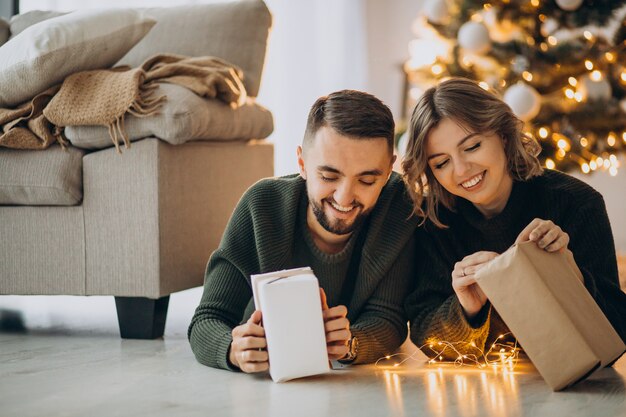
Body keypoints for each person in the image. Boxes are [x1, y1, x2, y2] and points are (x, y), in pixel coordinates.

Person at [189, 90, 418, 372]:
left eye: (367, 180)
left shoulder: (399, 206)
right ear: (301, 163)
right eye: (329, 176)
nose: (344, 198)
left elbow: (388, 317)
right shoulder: (262, 204)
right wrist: (232, 349)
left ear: (387, 171)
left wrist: (352, 343)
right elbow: (208, 318)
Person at [401, 77, 626, 358]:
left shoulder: (577, 203)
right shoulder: (434, 220)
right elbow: (425, 333)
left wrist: (569, 275)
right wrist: (468, 308)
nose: (461, 170)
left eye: (472, 147)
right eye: (441, 163)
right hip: (482, 391)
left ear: (503, 136)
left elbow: (617, 331)